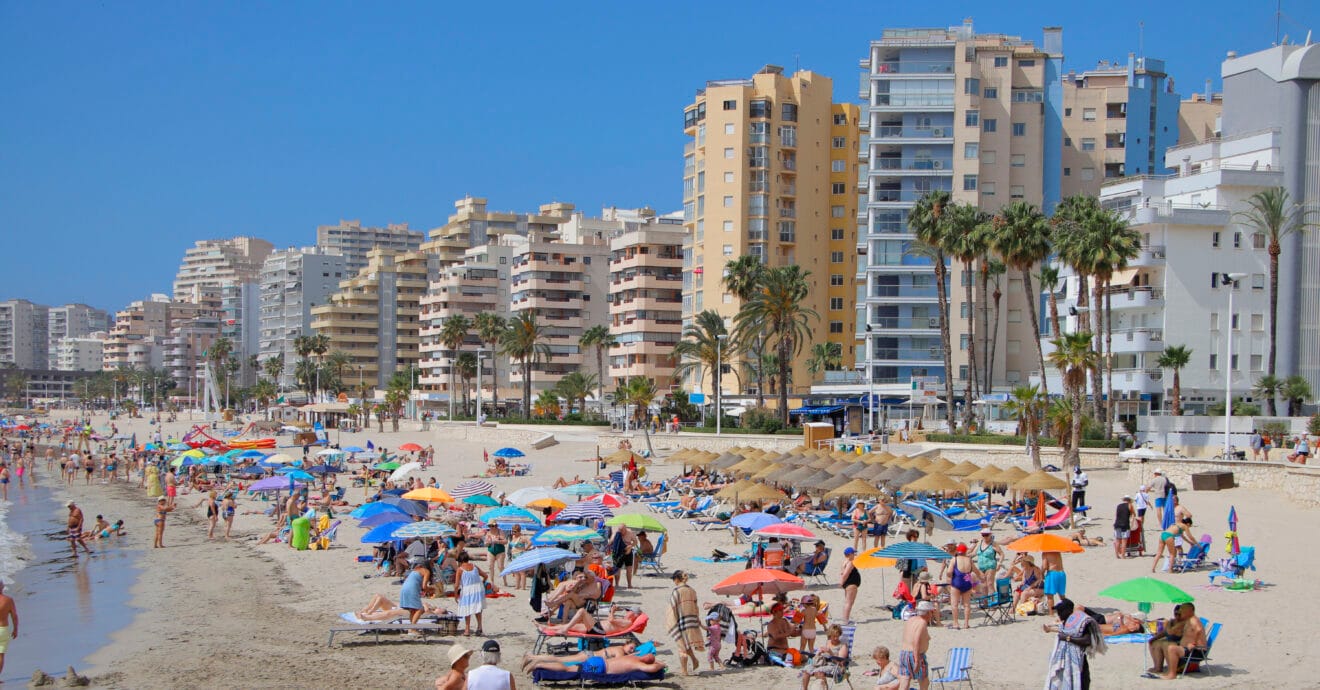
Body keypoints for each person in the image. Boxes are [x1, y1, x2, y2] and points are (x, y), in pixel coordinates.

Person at [1043, 598, 1105, 689]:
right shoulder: (1067, 621)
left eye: (1060, 611)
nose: (1058, 613)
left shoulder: (1081, 622)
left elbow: (1087, 640)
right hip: (1067, 661)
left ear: (1068, 610)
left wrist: (1067, 638)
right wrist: (1050, 630)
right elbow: (1065, 631)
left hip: (1079, 661)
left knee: (1081, 684)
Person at [1147, 602, 1206, 679]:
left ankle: (1172, 674)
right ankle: (1160, 668)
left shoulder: (1193, 621)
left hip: (1196, 651)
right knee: (1162, 644)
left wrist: (1194, 643)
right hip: (1187, 648)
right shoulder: (1188, 620)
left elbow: (1198, 629)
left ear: (1190, 611)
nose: (1181, 612)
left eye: (1183, 610)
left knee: (1172, 648)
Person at [666, 570, 704, 676]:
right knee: (686, 644)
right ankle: (694, 660)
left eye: (674, 579)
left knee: (681, 645)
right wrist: (697, 618)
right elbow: (696, 606)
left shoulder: (677, 591)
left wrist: (672, 621)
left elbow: (672, 607)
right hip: (692, 620)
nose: (674, 581)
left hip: (682, 620)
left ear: (677, 579)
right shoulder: (692, 590)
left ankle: (684, 670)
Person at [897, 600, 935, 690]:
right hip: (915, 654)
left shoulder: (910, 620)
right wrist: (917, 660)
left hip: (904, 653)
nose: (932, 614)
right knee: (924, 681)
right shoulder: (922, 623)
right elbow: (916, 641)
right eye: (931, 612)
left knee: (904, 680)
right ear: (928, 612)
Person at [799, 624, 848, 690]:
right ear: (830, 636)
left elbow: (841, 663)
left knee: (819, 672)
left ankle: (825, 688)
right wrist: (819, 652)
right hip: (823, 663)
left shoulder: (843, 646)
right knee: (807, 670)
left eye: (837, 636)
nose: (835, 638)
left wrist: (831, 653)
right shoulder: (828, 642)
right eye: (833, 636)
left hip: (835, 666)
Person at [539, 606, 641, 636]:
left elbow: (611, 619)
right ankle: (546, 628)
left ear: (634, 615)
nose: (627, 612)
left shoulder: (628, 622)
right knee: (572, 626)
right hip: (597, 626)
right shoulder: (624, 620)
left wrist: (612, 611)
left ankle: (564, 629)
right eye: (627, 610)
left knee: (582, 611)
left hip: (600, 630)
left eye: (629, 611)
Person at [947, 543, 981, 630]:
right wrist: (982, 577)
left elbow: (949, 572)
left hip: (957, 582)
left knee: (954, 604)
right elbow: (976, 571)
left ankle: (956, 623)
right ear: (966, 551)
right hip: (967, 583)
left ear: (958, 551)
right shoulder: (969, 560)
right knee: (967, 604)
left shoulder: (954, 559)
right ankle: (966, 624)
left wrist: (950, 577)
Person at [454, 551, 488, 636]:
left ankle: (467, 629)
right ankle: (479, 627)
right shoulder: (474, 566)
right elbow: (485, 576)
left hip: (467, 590)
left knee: (467, 609)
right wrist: (482, 583)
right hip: (477, 588)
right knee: (477, 608)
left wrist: (455, 595)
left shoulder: (460, 569)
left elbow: (456, 585)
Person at [399, 560, 433, 626]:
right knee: (420, 609)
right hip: (412, 589)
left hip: (404, 588)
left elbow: (418, 583)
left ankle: (411, 627)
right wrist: (431, 589)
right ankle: (412, 628)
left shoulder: (416, 570)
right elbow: (424, 587)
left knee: (413, 610)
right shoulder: (426, 571)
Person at [0, 579, 17, 678]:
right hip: (3, 629)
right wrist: (15, 629)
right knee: (1, 655)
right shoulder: (8, 600)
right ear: (2, 587)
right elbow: (14, 616)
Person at [839, 546, 861, 624]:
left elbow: (842, 573)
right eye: (853, 553)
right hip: (851, 583)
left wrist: (842, 582)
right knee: (849, 603)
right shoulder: (850, 562)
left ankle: (845, 619)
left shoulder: (845, 561)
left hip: (848, 583)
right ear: (850, 554)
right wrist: (841, 582)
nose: (855, 555)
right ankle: (845, 620)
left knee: (847, 602)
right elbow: (845, 574)